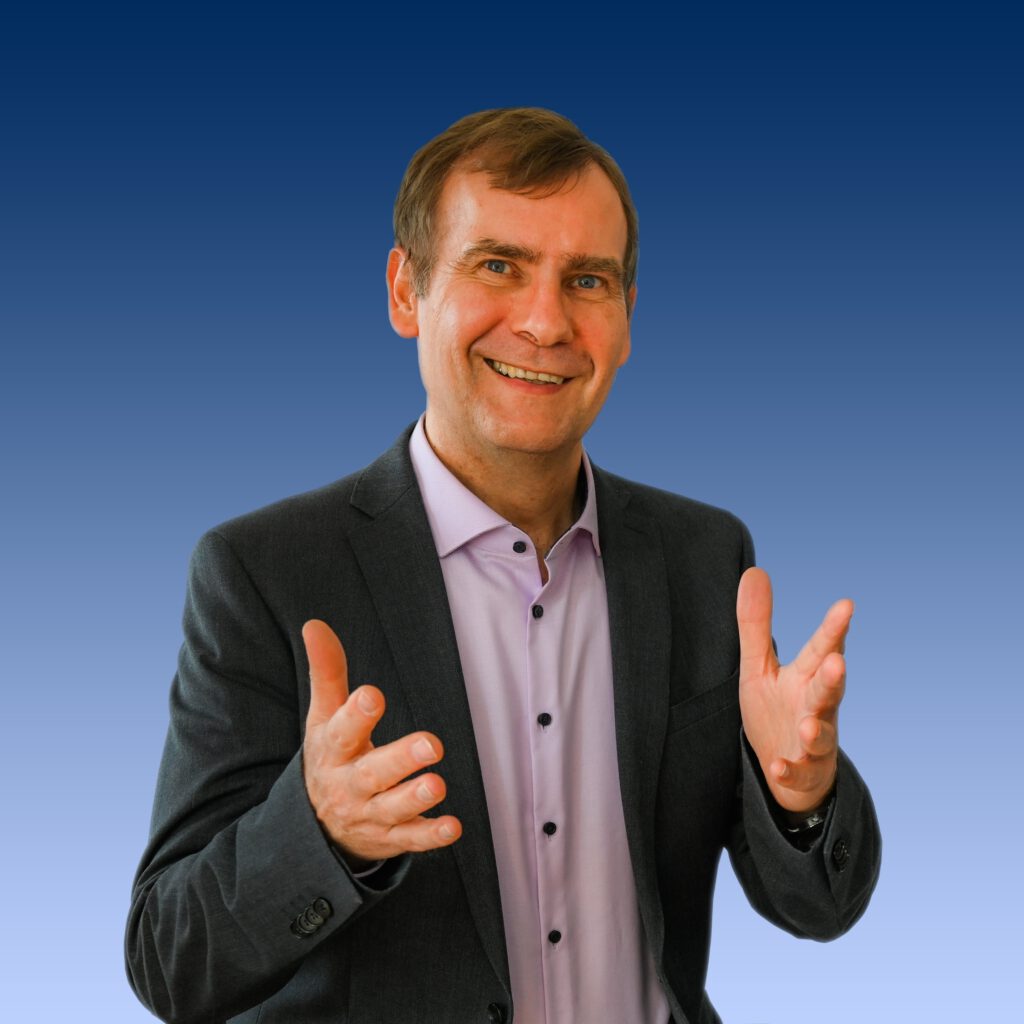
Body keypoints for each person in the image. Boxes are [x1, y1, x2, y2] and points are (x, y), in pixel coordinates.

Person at [126, 107, 881, 1024]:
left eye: (587, 280)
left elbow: (819, 908)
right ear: (406, 292)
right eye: (498, 266)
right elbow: (172, 961)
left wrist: (799, 796)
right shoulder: (262, 573)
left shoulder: (704, 557)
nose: (545, 321)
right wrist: (320, 834)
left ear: (627, 320)